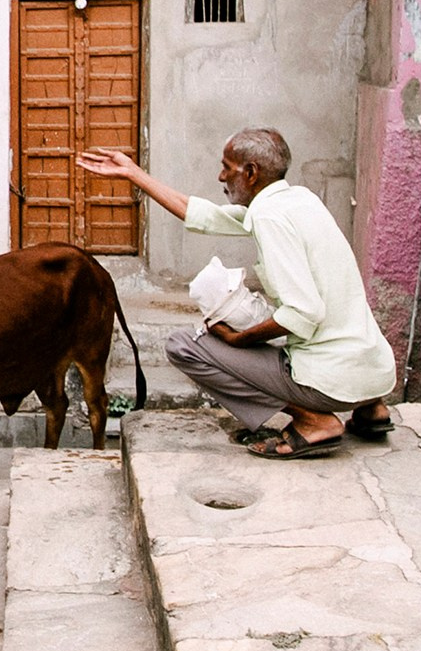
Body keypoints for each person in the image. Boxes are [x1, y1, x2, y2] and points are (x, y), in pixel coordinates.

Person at [76, 129, 396, 459]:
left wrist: (238, 340)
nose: (221, 176)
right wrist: (134, 173)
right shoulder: (298, 200)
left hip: (331, 381)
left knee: (185, 346)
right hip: (374, 373)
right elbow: (200, 213)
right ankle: (372, 409)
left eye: (227, 167)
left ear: (251, 173)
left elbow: (303, 313)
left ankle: (313, 421)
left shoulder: (269, 217)